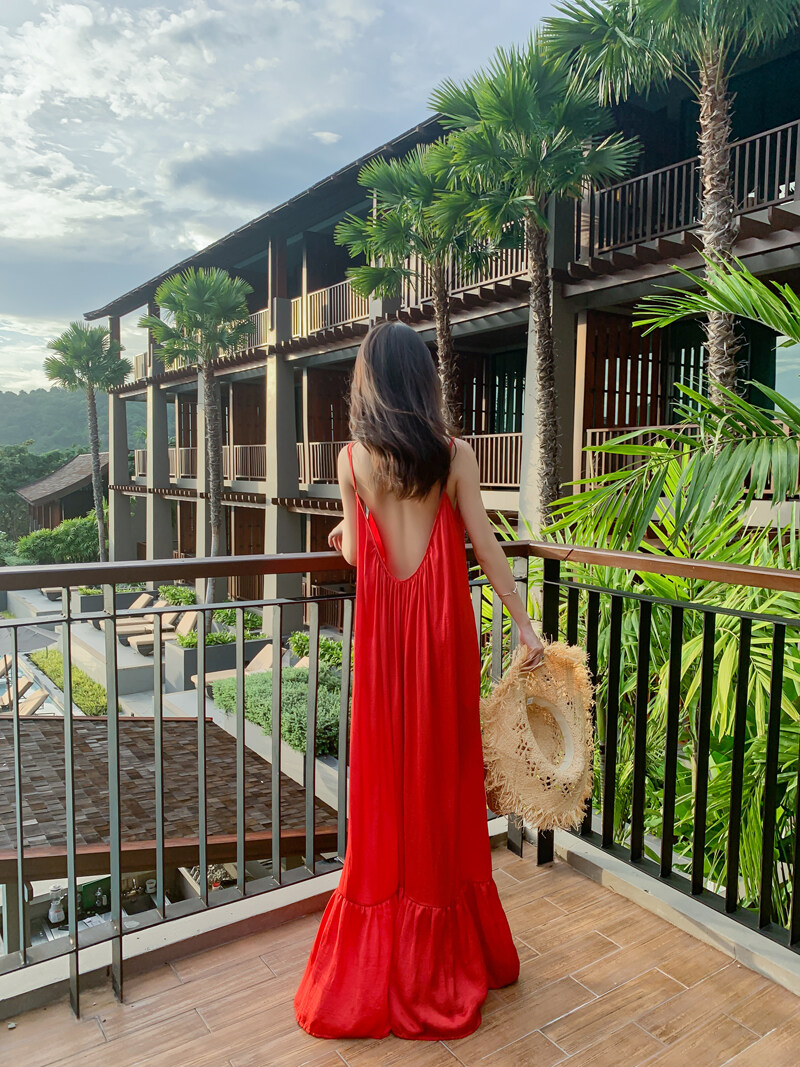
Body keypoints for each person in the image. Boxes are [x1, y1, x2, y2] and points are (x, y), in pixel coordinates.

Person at [293, 320, 544, 1042]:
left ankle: (381, 956)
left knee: (386, 784)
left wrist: (351, 534)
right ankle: (447, 941)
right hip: (440, 636)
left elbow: (352, 549)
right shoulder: (453, 455)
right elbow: (488, 545)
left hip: (381, 644)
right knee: (442, 780)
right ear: (422, 380)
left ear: (369, 381)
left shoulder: (351, 460)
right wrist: (524, 628)